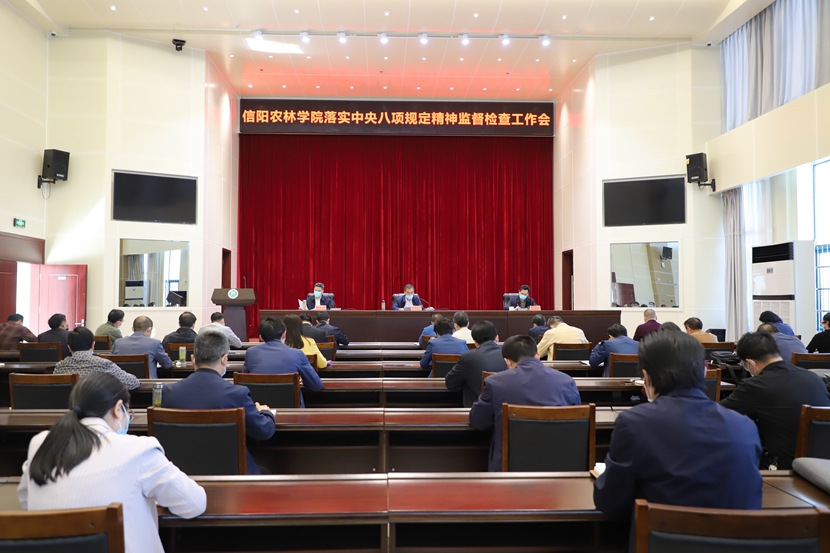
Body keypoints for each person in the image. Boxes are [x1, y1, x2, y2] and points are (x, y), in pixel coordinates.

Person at [18, 373, 206, 553]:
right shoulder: (138, 449)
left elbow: (26, 502)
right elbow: (194, 504)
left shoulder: (40, 443)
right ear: (118, 408)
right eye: (128, 412)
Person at [593, 331, 762, 528]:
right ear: (704, 371)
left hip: (662, 538)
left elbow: (610, 502)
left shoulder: (634, 423)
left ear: (646, 377)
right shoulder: (745, 426)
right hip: (733, 537)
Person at [161, 330, 276, 475]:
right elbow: (263, 431)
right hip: (231, 474)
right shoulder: (237, 394)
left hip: (182, 475)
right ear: (224, 359)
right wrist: (266, 412)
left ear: (193, 359)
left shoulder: (169, 393)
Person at [470, 335, 580, 471]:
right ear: (538, 354)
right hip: (559, 465)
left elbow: (478, 421)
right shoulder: (567, 381)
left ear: (507, 361)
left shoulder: (495, 383)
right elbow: (576, 422)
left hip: (509, 467)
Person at [721, 331, 830, 470]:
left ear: (750, 363)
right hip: (823, 464)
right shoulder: (813, 378)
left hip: (784, 467)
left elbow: (718, 415)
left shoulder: (756, 386)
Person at [243, 317, 323, 407]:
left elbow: (244, 382)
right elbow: (316, 385)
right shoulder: (297, 354)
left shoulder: (251, 353)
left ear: (260, 337)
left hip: (259, 409)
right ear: (284, 334)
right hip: (292, 411)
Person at [445, 321, 508, 407]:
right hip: (505, 410)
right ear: (497, 338)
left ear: (475, 342)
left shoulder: (468, 357)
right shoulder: (510, 356)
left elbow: (450, 383)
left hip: (477, 410)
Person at [54, 327, 140, 390]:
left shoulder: (60, 367)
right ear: (93, 345)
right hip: (98, 408)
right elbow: (132, 383)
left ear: (69, 348)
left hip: (69, 409)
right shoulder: (103, 364)